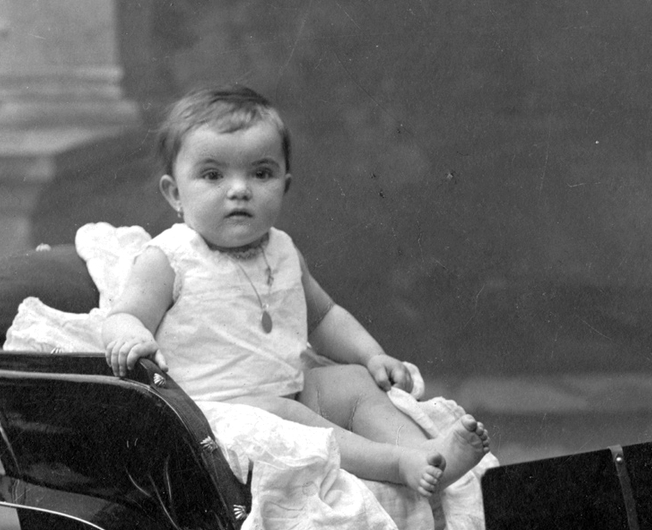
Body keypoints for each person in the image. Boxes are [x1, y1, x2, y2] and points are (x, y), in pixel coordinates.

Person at [102, 85, 487, 497]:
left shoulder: (282, 250)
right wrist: (131, 335)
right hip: (213, 417)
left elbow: (324, 317)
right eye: (213, 175)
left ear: (284, 185)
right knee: (284, 413)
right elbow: (125, 315)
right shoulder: (171, 257)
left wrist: (371, 355)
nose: (239, 189)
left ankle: (426, 452)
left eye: (261, 174)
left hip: (288, 391)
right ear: (175, 193)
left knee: (354, 383)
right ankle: (394, 463)